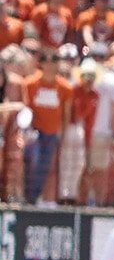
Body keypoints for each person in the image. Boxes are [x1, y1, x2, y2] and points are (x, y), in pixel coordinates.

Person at [22, 51, 72, 204]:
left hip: (52, 132)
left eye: (53, 62)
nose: (50, 66)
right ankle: (27, 194)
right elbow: (26, 107)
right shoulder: (30, 83)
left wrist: (62, 134)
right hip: (34, 131)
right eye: (47, 62)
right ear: (41, 64)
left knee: (45, 165)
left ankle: (34, 197)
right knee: (33, 160)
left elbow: (66, 113)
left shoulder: (65, 87)